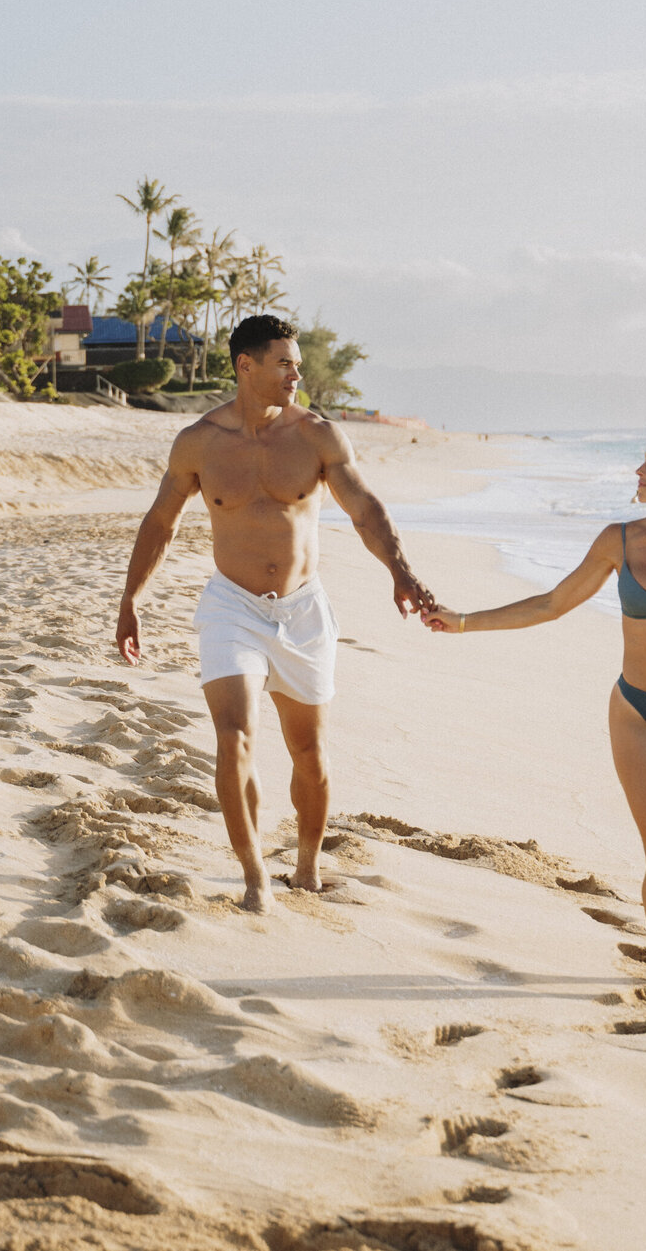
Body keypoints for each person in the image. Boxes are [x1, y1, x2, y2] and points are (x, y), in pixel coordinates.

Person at [424, 422, 646, 1003]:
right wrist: (463, 621)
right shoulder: (620, 540)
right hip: (635, 711)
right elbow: (553, 603)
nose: (639, 471)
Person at [115, 314, 434, 913]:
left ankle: (307, 867)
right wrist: (131, 599)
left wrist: (401, 571)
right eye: (285, 362)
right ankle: (255, 875)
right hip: (231, 607)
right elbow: (161, 522)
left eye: (297, 362)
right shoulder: (199, 443)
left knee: (308, 751)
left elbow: (366, 509)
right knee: (233, 735)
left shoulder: (318, 435)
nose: (297, 373)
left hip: (304, 610)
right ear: (247, 365)